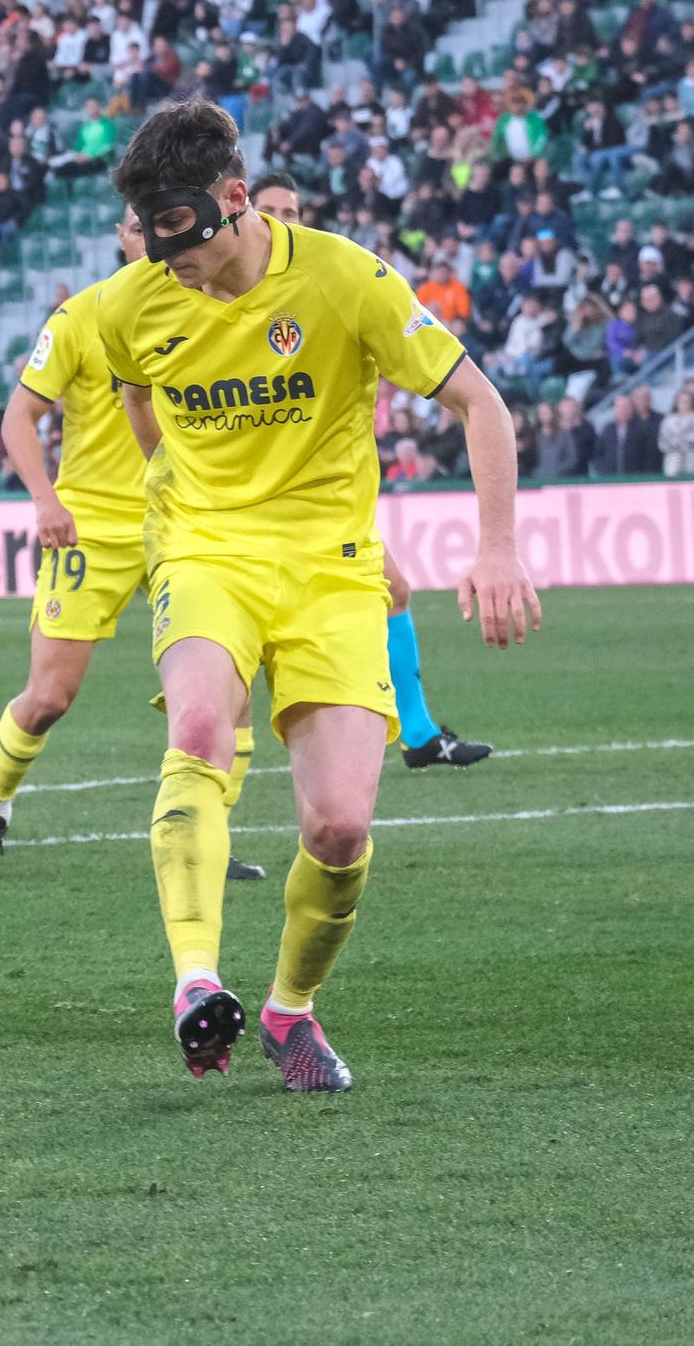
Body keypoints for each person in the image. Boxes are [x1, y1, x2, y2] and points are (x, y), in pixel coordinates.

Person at [100, 101, 537, 1092]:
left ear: (233, 199)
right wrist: (170, 492)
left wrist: (497, 549)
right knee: (202, 728)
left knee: (338, 826)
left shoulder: (343, 279)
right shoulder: (136, 303)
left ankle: (289, 1011)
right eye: (148, 239)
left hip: (332, 567)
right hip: (205, 552)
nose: (166, 260)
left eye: (180, 235)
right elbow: (133, 390)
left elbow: (478, 402)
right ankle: (195, 981)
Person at [0, 209, 267, 884]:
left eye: (159, 221)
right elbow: (19, 416)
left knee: (231, 691)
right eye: (134, 226)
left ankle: (214, 829)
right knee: (49, 696)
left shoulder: (209, 308)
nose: (147, 235)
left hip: (183, 524)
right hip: (90, 526)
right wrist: (46, 498)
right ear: (123, 239)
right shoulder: (82, 317)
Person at [251, 174, 494, 770]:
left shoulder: (327, 282)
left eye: (293, 209)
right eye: (271, 210)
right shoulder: (228, 301)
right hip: (248, 509)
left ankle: (416, 733)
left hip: (323, 508)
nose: (284, 220)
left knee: (396, 590)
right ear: (243, 213)